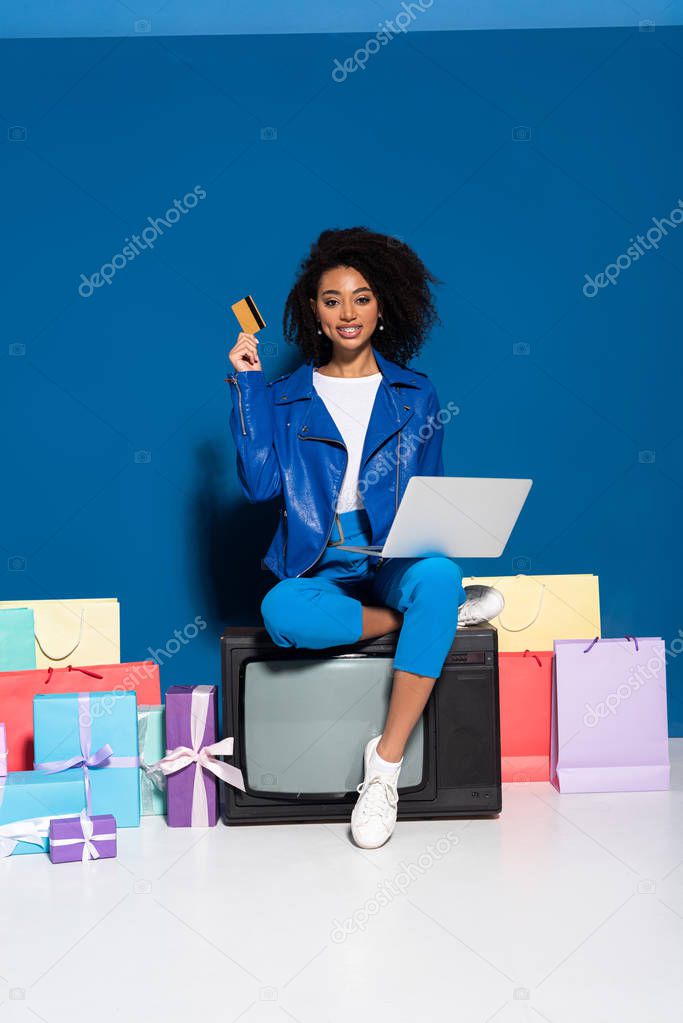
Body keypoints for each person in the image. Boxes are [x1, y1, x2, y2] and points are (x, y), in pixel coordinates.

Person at [226, 226, 503, 849]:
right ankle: (432, 620)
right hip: (322, 559)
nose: (347, 312)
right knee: (281, 610)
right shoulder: (281, 397)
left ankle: (383, 768)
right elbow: (261, 488)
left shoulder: (415, 393)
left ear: (383, 308)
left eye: (361, 297)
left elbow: (430, 492)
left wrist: (437, 547)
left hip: (391, 554)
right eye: (331, 300)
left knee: (437, 577)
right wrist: (247, 388)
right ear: (313, 314)